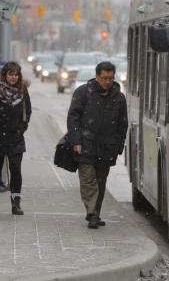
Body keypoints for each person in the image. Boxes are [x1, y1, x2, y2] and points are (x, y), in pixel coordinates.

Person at [67, 61, 128, 229]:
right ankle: (92, 213)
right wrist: (76, 141)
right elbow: (73, 118)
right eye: (104, 78)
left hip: (106, 147)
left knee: (101, 182)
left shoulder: (119, 98)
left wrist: (118, 146)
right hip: (85, 145)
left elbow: (123, 125)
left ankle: (96, 212)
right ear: (97, 77)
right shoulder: (83, 93)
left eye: (110, 78)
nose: (107, 82)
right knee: (88, 180)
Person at [0, 61, 32, 215]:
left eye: (16, 74)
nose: (13, 77)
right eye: (10, 74)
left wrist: (21, 129)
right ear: (5, 74)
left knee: (16, 170)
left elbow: (27, 112)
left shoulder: (22, 90)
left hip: (15, 137)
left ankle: (16, 203)